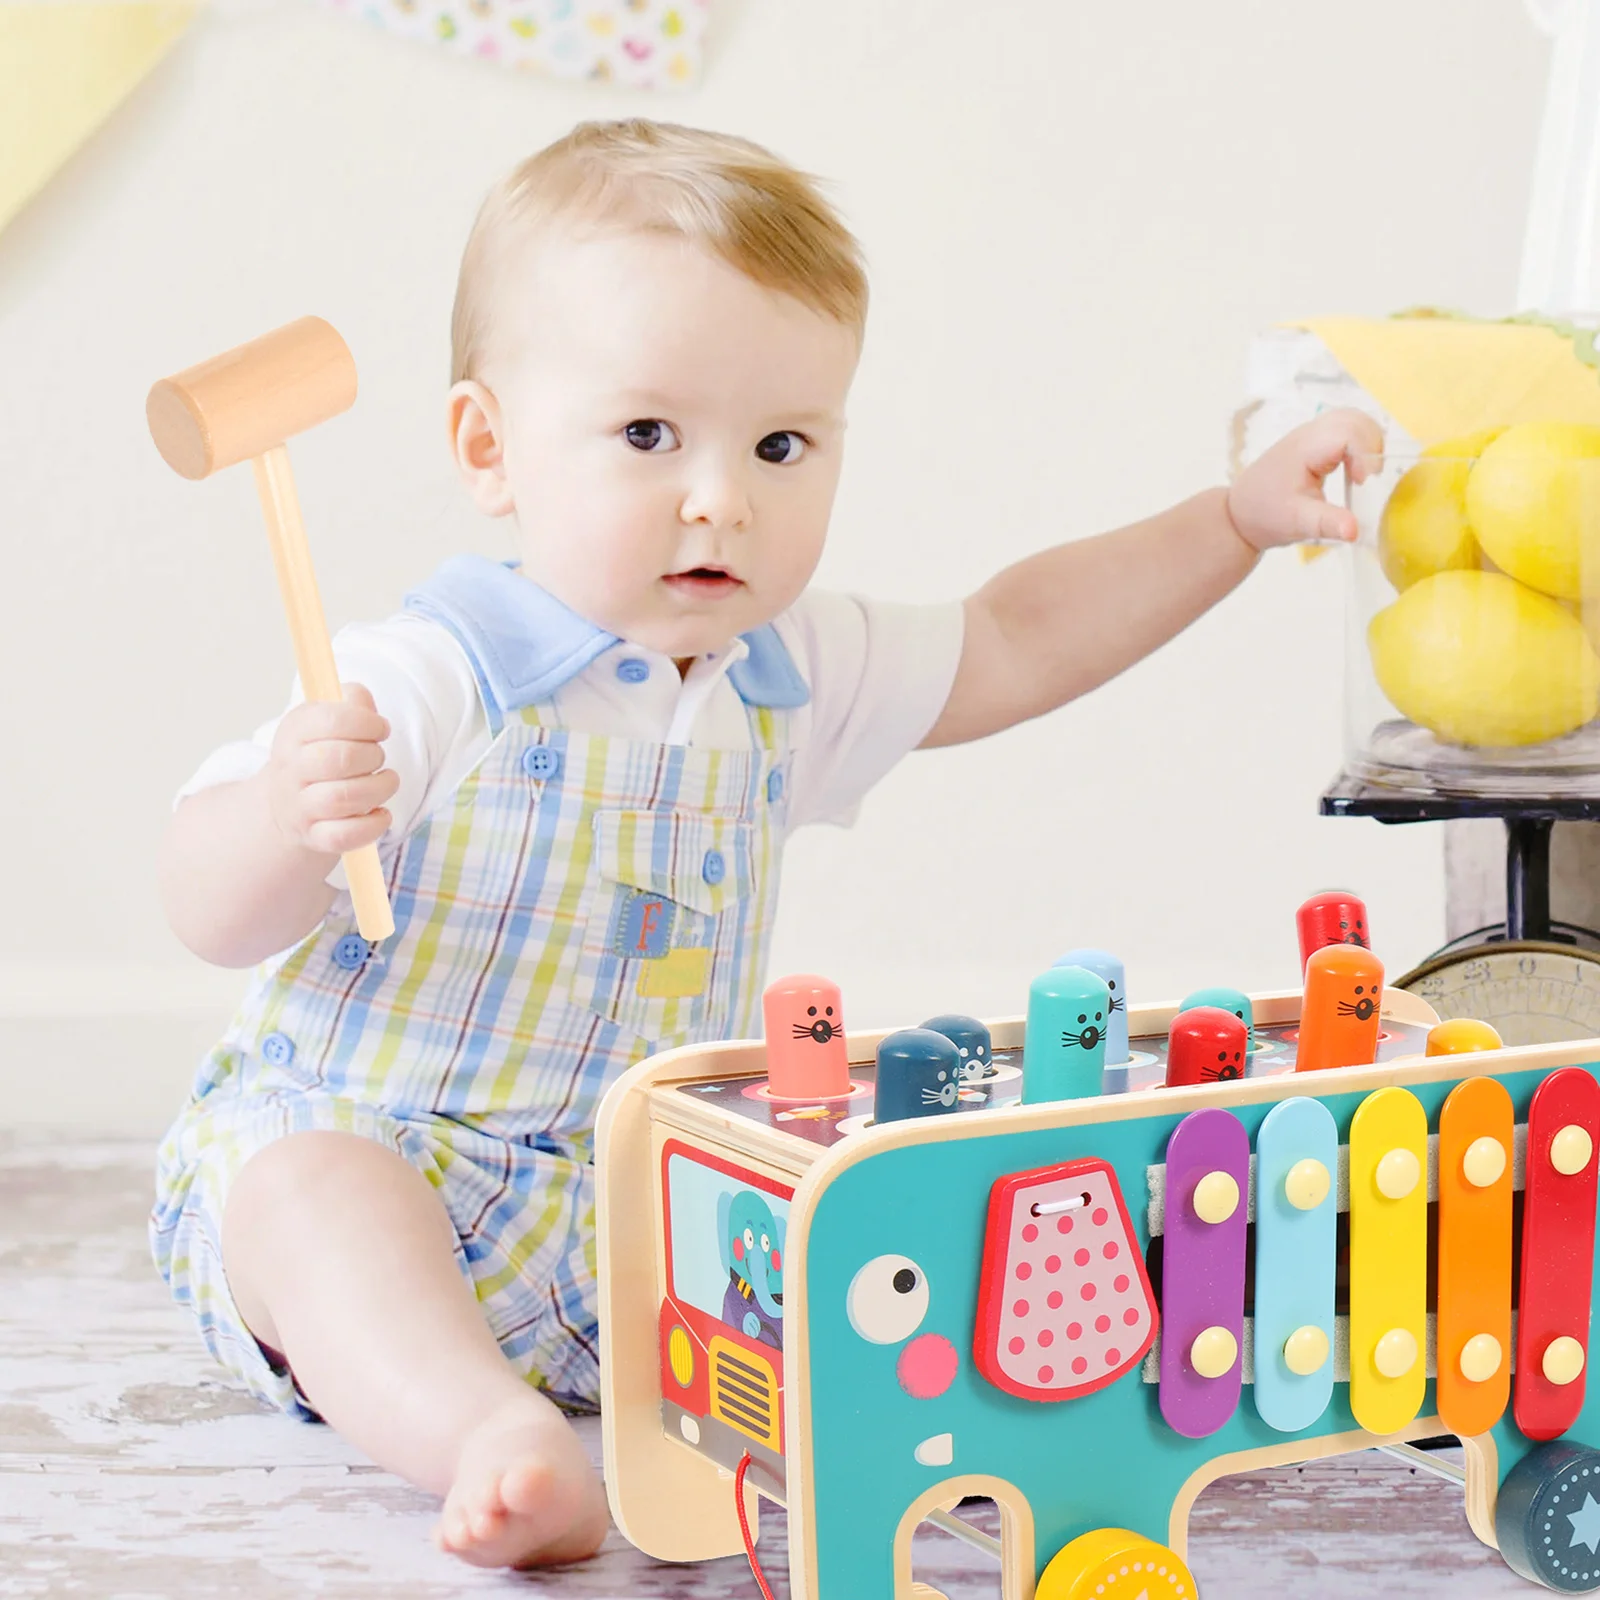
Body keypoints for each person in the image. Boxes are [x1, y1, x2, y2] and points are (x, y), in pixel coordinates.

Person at [150, 117, 1378, 1571]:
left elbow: (1017, 634)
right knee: (309, 1192)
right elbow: (205, 906)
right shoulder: (432, 674)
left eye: (781, 443)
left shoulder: (781, 670)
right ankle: (480, 1430)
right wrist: (290, 825)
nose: (722, 493)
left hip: (643, 1211)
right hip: (386, 1164)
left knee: (881, 1191)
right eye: (650, 435)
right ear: (491, 449)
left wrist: (1232, 522)